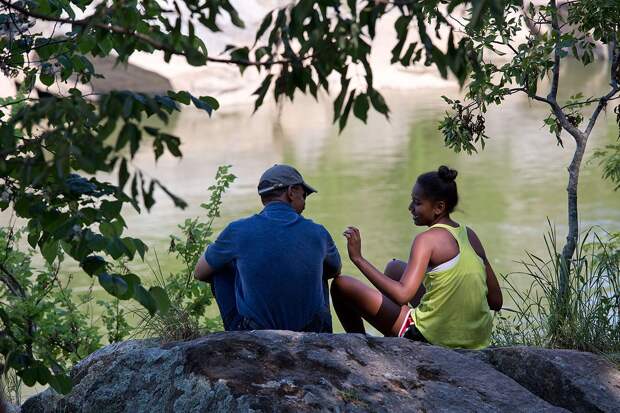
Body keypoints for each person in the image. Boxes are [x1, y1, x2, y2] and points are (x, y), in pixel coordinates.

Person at [330, 165, 502, 349]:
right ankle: (397, 334)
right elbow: (496, 301)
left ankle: (362, 349)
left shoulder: (426, 240)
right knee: (394, 267)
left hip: (433, 340)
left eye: (417, 203)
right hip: (478, 341)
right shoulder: (469, 235)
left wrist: (358, 259)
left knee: (341, 285)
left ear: (439, 207)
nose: (410, 208)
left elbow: (402, 294)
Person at [194, 164, 341, 333]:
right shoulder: (318, 232)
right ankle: (319, 336)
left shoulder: (237, 231)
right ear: (291, 191)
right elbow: (335, 270)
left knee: (220, 268)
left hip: (255, 334)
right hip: (312, 331)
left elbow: (200, 272)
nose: (305, 200)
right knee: (322, 270)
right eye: (304, 194)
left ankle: (236, 335)